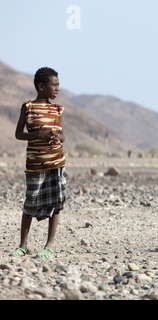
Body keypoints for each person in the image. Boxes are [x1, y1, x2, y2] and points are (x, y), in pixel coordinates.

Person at [10, 67, 67, 259]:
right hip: (35, 164)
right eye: (54, 85)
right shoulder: (28, 107)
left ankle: (49, 246)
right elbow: (18, 134)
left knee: (55, 203)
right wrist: (38, 135)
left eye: (58, 85)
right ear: (41, 87)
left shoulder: (57, 109)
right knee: (30, 203)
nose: (57, 88)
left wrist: (57, 137)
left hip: (56, 162)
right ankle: (22, 245)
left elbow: (63, 135)